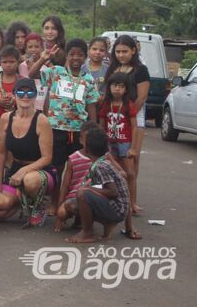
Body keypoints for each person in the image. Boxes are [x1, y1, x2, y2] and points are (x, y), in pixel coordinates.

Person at [30, 37, 100, 209]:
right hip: (55, 129)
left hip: (78, 131)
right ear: (67, 55)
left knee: (76, 168)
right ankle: (54, 202)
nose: (76, 58)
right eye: (72, 54)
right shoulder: (56, 72)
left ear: (85, 58)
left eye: (80, 55)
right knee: (57, 167)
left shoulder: (89, 80)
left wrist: (93, 129)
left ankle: (70, 202)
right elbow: (32, 74)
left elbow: (91, 106)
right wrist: (43, 58)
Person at [0, 78, 56, 227]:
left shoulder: (42, 120)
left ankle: (38, 206)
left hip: (40, 172)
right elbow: (1, 153)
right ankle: (20, 201)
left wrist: (23, 171)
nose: (25, 96)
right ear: (14, 95)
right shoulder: (6, 118)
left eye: (30, 93)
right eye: (21, 92)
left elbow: (47, 158)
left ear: (35, 96)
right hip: (15, 171)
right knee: (1, 204)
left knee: (30, 180)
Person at [104, 34, 149, 215]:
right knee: (115, 160)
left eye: (125, 51)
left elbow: (142, 97)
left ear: (133, 51)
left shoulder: (140, 70)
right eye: (118, 51)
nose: (121, 55)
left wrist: (126, 112)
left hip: (134, 116)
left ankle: (132, 202)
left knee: (132, 159)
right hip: (113, 118)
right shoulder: (112, 68)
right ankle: (119, 199)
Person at [65, 129, 134, 244]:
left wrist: (88, 189)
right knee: (72, 204)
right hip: (116, 206)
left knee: (82, 193)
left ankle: (87, 233)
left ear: (87, 149)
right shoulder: (101, 162)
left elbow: (113, 192)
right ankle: (106, 223)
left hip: (118, 209)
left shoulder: (101, 166)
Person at [99, 72, 139, 213]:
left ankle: (132, 203)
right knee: (111, 173)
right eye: (115, 85)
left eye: (121, 86)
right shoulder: (106, 103)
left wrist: (133, 148)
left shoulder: (129, 104)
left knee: (130, 173)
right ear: (109, 87)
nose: (117, 89)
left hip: (124, 142)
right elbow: (101, 125)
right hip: (109, 142)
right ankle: (113, 202)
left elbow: (135, 127)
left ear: (126, 89)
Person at [54, 123, 95, 232]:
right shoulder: (73, 159)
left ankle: (85, 224)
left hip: (94, 196)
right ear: (81, 140)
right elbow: (65, 185)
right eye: (86, 139)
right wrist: (59, 216)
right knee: (62, 213)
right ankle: (79, 218)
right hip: (74, 197)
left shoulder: (102, 157)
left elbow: (121, 172)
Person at [18, 33, 48, 111]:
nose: (33, 49)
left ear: (42, 49)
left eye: (37, 46)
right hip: (25, 106)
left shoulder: (46, 68)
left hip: (40, 107)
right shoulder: (21, 66)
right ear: (26, 49)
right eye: (30, 47)